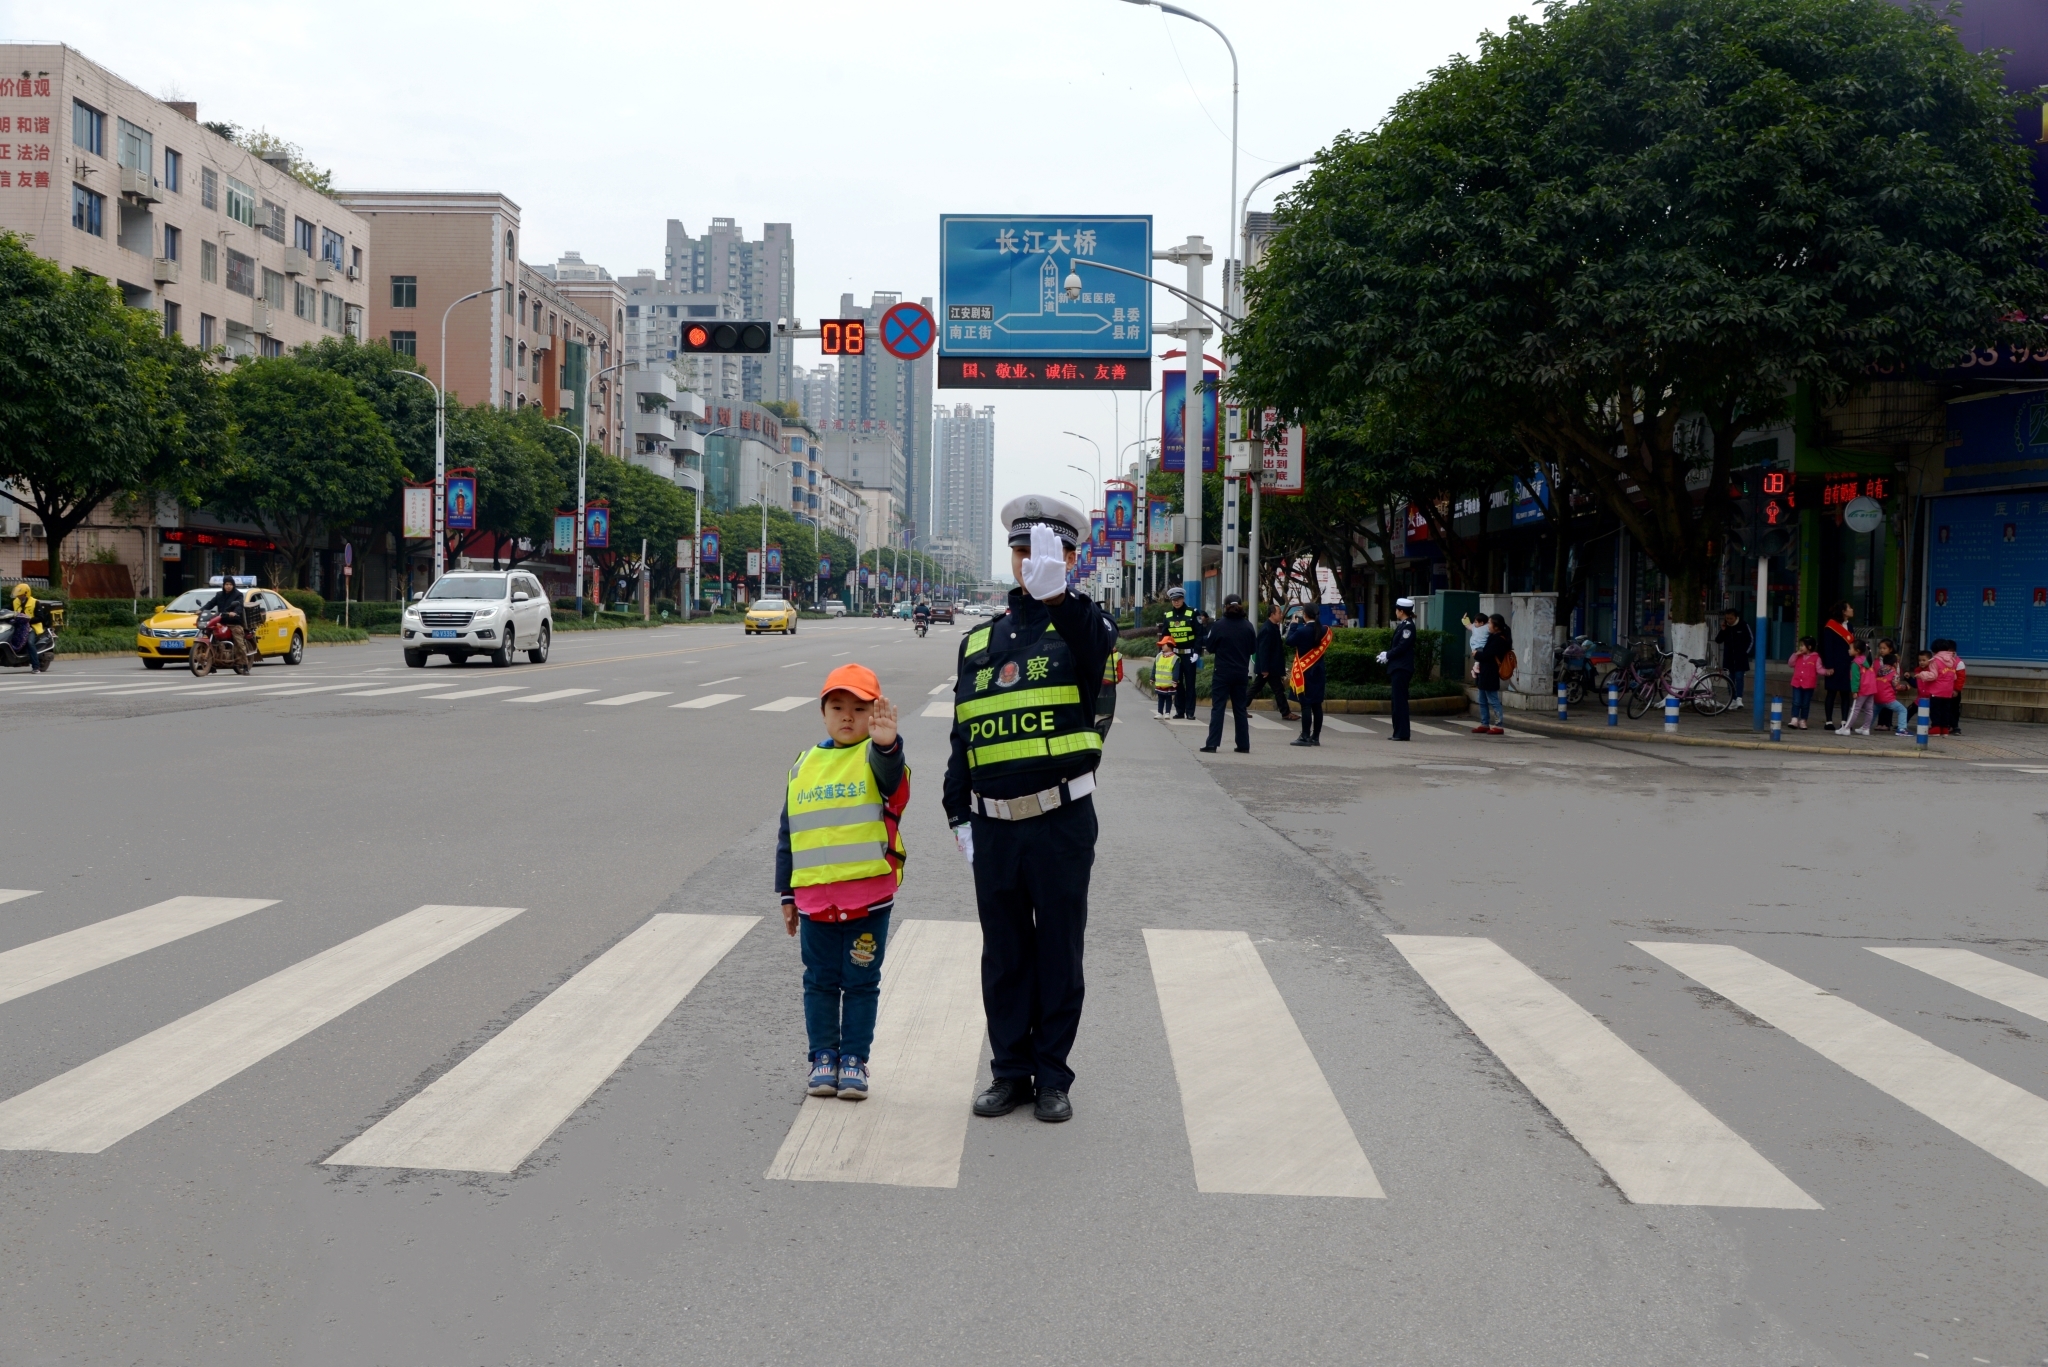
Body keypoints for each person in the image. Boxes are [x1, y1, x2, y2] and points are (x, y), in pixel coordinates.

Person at [945, 494, 1115, 1125]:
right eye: (1022, 551)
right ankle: (1010, 1072)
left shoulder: (1085, 628)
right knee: (1005, 952)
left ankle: (1053, 1076)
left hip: (1060, 821)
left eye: (1048, 552)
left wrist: (1059, 600)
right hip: (993, 825)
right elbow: (966, 731)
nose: (1031, 562)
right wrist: (956, 811)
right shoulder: (978, 642)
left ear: (1071, 558)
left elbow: (1091, 646)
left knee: (1058, 951)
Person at [774, 664, 909, 1102]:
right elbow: (789, 832)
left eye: (859, 707)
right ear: (823, 713)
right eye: (838, 707)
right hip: (815, 902)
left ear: (875, 713)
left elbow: (893, 782)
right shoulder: (804, 763)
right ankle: (823, 1059)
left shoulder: (876, 754)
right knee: (819, 981)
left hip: (867, 901)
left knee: (861, 982)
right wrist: (788, 894)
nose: (847, 716)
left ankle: (854, 1059)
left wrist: (888, 745)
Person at [1200, 594, 1257, 754]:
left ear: (1225, 607)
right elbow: (1253, 649)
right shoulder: (1248, 626)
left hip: (1222, 672)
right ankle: (1243, 744)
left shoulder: (1219, 626)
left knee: (1218, 707)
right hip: (1241, 673)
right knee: (1240, 708)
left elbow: (1210, 647)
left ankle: (1212, 744)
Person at [1286, 609, 1330, 747]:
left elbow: (1289, 641)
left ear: (1305, 615)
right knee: (1317, 705)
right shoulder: (1324, 631)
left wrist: (1293, 625)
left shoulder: (1302, 631)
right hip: (1318, 672)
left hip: (1305, 673)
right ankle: (1315, 737)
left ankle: (1305, 736)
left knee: (1305, 705)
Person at [1379, 597, 1418, 740]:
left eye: (1397, 610)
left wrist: (1388, 655)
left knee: (1400, 701)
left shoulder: (1408, 626)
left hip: (1402, 668)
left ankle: (1402, 733)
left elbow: (1402, 646)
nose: (1395, 612)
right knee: (1396, 701)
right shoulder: (1403, 625)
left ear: (1402, 611)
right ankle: (1398, 732)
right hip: (1398, 667)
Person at [1249, 601, 1294, 721]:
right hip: (1268, 668)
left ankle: (1240, 707)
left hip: (1271, 667)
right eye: (1279, 613)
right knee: (1274, 690)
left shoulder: (1273, 627)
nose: (1281, 615)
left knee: (1262, 688)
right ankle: (1286, 712)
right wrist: (1264, 668)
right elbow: (1263, 650)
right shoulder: (1267, 629)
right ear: (1272, 614)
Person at [1161, 587, 1198, 718]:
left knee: (1190, 684)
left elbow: (1199, 634)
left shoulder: (1192, 613)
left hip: (1189, 654)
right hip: (1175, 655)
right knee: (1177, 683)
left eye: (1178, 599)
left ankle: (1190, 712)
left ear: (1183, 599)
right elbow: (1165, 635)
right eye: (1173, 600)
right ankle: (1180, 711)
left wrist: (1197, 652)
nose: (1176, 602)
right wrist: (1163, 651)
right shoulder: (1168, 615)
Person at [1472, 614, 1511, 735]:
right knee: (1482, 699)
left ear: (1496, 626)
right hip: (1484, 671)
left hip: (1491, 672)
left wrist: (1476, 654)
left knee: (1493, 699)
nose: (1488, 625)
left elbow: (1488, 655)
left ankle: (1499, 725)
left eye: (1490, 623)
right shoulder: (1493, 636)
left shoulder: (1499, 639)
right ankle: (1484, 723)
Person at [1819, 602, 1855, 727]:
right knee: (1832, 692)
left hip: (1847, 664)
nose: (1852, 609)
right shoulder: (1830, 626)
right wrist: (1829, 665)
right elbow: (1827, 647)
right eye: (1849, 608)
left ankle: (1844, 721)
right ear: (1843, 611)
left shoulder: (1850, 626)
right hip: (1834, 664)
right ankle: (1828, 721)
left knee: (1846, 692)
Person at [202, 576, 252, 666]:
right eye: (226, 584)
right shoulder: (219, 595)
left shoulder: (238, 595)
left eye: (230, 584)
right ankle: (213, 661)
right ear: (223, 585)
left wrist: (234, 612)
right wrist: (201, 610)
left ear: (233, 585)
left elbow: (240, 606)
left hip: (234, 622)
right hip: (221, 622)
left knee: (239, 642)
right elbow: (210, 604)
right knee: (211, 634)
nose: (228, 586)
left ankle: (244, 664)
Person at [1715, 608, 1753, 709]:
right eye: (1727, 618)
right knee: (1729, 679)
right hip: (1728, 658)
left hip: (1741, 657)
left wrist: (1745, 653)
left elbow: (1751, 639)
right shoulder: (1726, 627)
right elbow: (1718, 640)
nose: (1729, 620)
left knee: (1739, 677)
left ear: (1736, 617)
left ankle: (1739, 698)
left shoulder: (1743, 625)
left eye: (1731, 618)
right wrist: (1722, 630)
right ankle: (1732, 699)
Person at [1839, 639, 1876, 736]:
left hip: (1862, 689)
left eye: (1850, 648)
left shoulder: (1855, 663)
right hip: (1871, 688)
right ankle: (1866, 728)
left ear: (1857, 651)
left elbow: (1855, 679)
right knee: (1869, 709)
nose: (1848, 650)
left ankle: (1846, 728)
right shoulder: (1868, 660)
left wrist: (1854, 691)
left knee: (1855, 709)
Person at [1873, 639, 1909, 736]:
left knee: (1873, 712)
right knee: (1902, 710)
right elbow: (1896, 685)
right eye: (1880, 648)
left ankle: (1865, 727)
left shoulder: (1879, 670)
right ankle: (1901, 728)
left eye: (1884, 648)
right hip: (1888, 696)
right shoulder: (1894, 672)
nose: (1881, 650)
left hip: (1877, 696)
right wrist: (1905, 687)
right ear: (1895, 664)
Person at [1787, 636, 1823, 730]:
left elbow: (1819, 669)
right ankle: (1794, 719)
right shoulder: (1798, 656)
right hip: (1797, 683)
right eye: (1800, 645)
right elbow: (1790, 663)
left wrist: (1826, 671)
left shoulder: (1816, 658)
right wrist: (1795, 654)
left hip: (1809, 684)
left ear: (1809, 647)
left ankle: (1803, 720)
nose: (1800, 647)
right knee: (1796, 701)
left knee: (1805, 703)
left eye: (1802, 645)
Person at [1152, 636, 1178, 716]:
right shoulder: (1159, 656)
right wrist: (1152, 678)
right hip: (1160, 683)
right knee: (1160, 698)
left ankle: (1167, 712)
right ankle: (1160, 712)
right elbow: (1154, 667)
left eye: (1164, 644)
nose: (1162, 646)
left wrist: (1175, 680)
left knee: (1168, 698)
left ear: (1170, 645)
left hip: (1169, 683)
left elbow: (1176, 670)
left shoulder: (1174, 658)